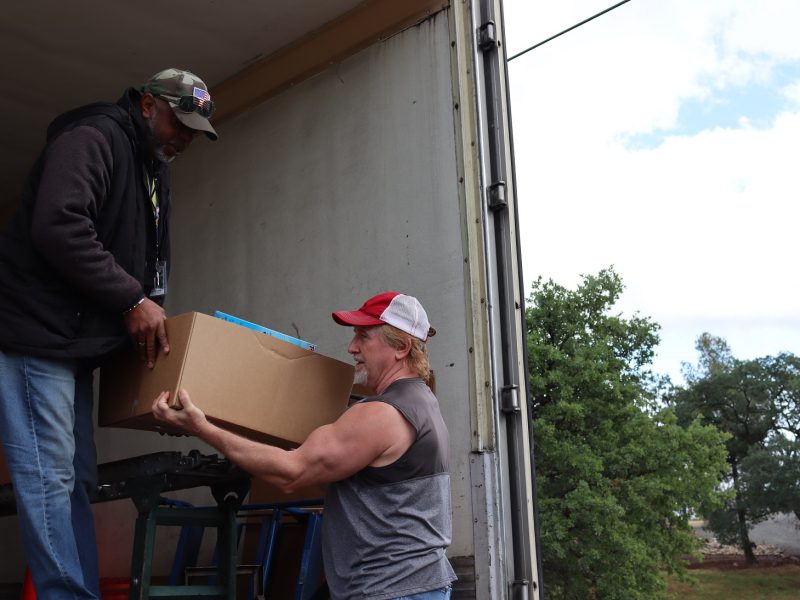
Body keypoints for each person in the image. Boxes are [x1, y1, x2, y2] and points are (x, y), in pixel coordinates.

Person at [0, 68, 218, 599]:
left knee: (75, 479)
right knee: (49, 478)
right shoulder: (93, 138)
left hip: (73, 346)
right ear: (147, 104)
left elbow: (149, 272)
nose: (185, 137)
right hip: (37, 336)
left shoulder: (152, 168)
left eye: (195, 130)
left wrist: (154, 387)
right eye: (178, 122)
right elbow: (58, 224)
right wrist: (132, 299)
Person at [152, 291, 457, 599]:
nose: (352, 347)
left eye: (363, 337)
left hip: (391, 591)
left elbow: (291, 473)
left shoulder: (382, 414)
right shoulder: (422, 404)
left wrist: (201, 426)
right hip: (417, 585)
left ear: (401, 348)